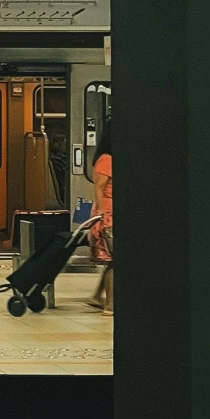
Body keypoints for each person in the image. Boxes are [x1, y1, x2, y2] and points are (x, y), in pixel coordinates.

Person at [89, 124, 113, 313]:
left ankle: (97, 296)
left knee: (112, 259)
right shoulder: (107, 159)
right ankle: (110, 305)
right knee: (113, 261)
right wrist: (103, 216)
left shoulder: (107, 158)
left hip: (109, 213)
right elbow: (99, 187)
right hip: (108, 214)